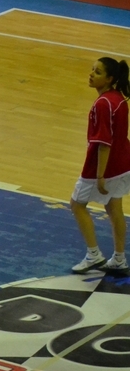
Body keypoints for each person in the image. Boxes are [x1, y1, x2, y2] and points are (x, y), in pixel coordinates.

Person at [71, 57, 130, 273]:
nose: (91, 74)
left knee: (77, 204)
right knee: (114, 208)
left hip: (106, 166)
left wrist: (100, 175)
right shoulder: (119, 98)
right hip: (124, 161)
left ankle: (93, 254)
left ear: (109, 78)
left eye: (97, 72)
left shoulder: (103, 104)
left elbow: (104, 144)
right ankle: (119, 259)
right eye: (92, 70)